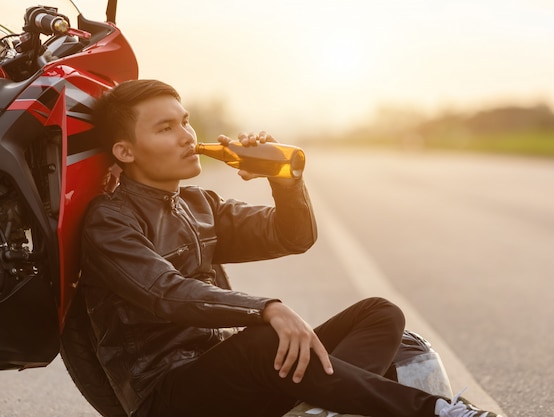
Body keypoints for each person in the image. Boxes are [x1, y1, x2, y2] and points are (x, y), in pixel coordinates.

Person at [81, 79, 501, 417]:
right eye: (165, 128)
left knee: (379, 314)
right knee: (267, 340)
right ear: (125, 151)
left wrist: (283, 179)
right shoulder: (109, 219)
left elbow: (291, 236)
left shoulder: (198, 203)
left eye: (185, 121)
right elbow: (165, 293)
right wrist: (267, 307)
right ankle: (441, 414)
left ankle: (320, 412)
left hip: (232, 381)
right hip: (167, 394)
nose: (187, 137)